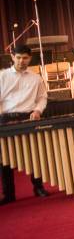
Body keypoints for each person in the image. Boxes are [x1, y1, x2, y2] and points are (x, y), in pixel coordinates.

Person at [0, 44, 50, 205]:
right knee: (5, 159)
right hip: (5, 119)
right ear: (12, 57)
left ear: (30, 58)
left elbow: (42, 97)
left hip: (28, 117)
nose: (22, 61)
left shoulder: (36, 78)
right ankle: (9, 194)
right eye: (19, 57)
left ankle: (38, 187)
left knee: (34, 154)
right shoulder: (2, 77)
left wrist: (37, 111)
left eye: (25, 58)